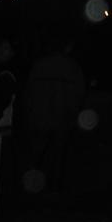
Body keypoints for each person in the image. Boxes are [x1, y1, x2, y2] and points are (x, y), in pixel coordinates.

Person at [21, 29, 86, 193]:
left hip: (39, 117)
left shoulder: (39, 65)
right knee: (58, 155)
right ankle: (55, 187)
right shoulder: (72, 66)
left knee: (36, 153)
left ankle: (31, 186)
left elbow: (29, 92)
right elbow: (78, 94)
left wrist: (31, 113)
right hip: (62, 118)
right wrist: (73, 114)